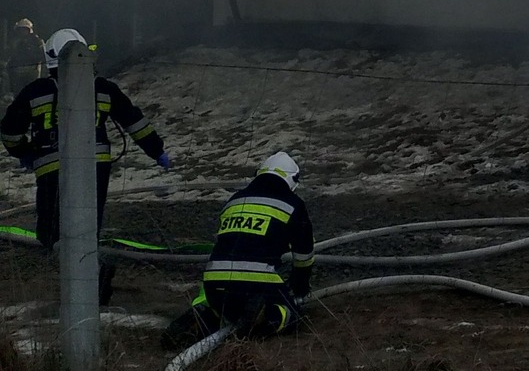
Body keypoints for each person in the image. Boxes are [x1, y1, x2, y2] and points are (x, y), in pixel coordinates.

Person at [1, 29, 171, 298]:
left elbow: (9, 131)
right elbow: (134, 122)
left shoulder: (35, 92)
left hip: (52, 169)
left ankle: (86, 283)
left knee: (49, 232)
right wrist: (156, 151)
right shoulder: (104, 88)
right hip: (96, 167)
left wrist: (25, 153)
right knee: (88, 225)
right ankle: (90, 277)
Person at [164, 151, 315, 346]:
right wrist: (300, 287)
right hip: (257, 283)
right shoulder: (293, 204)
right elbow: (303, 255)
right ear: (292, 180)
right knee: (291, 314)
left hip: (213, 282)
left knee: (224, 311)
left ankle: (203, 318)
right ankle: (267, 315)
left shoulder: (235, 200)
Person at [5, 19, 42, 89]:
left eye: (24, 29)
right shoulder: (14, 41)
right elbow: (10, 55)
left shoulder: (36, 41)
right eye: (20, 30)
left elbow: (40, 55)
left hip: (32, 70)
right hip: (17, 71)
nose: (22, 32)